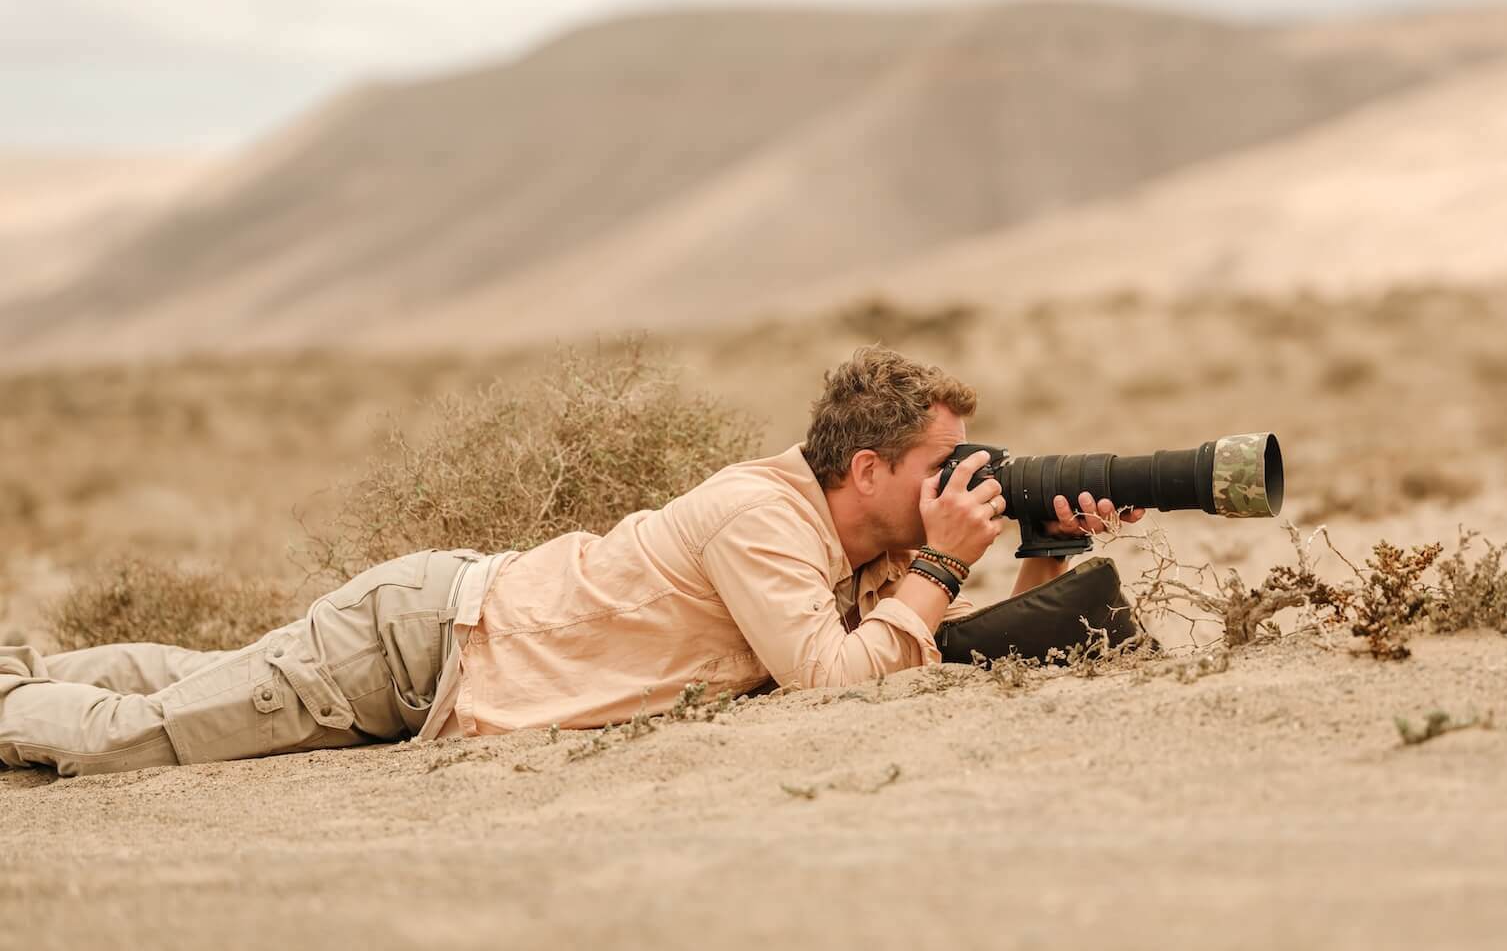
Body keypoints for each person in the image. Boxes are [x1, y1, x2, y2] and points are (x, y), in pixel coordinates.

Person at [0, 345, 1142, 776]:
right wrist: (947, 564)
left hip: (435, 648)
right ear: (865, 472)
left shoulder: (866, 553)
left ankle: (29, 659)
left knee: (204, 676)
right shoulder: (762, 516)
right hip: (413, 646)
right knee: (139, 741)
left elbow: (926, 654)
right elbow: (838, 679)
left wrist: (1052, 552)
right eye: (945, 463)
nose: (965, 481)